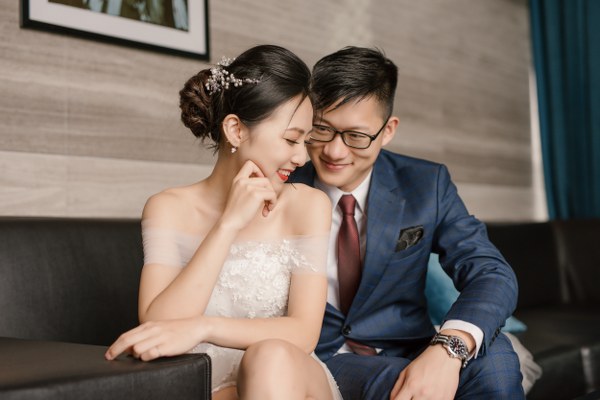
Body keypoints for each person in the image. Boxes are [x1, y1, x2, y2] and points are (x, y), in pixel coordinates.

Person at [105, 45, 342, 400]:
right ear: (236, 130)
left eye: (305, 141)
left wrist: (204, 327)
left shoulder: (308, 205)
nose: (301, 157)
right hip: (208, 385)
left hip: (289, 377)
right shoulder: (167, 208)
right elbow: (159, 325)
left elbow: (304, 333)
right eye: (292, 139)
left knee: (269, 356)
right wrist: (228, 224)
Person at [290, 46, 525, 399]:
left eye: (356, 136)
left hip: (407, 346)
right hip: (322, 358)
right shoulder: (282, 184)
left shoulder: (425, 184)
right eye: (321, 129)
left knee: (497, 360)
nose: (334, 151)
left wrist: (448, 348)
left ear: (388, 131)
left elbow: (490, 272)